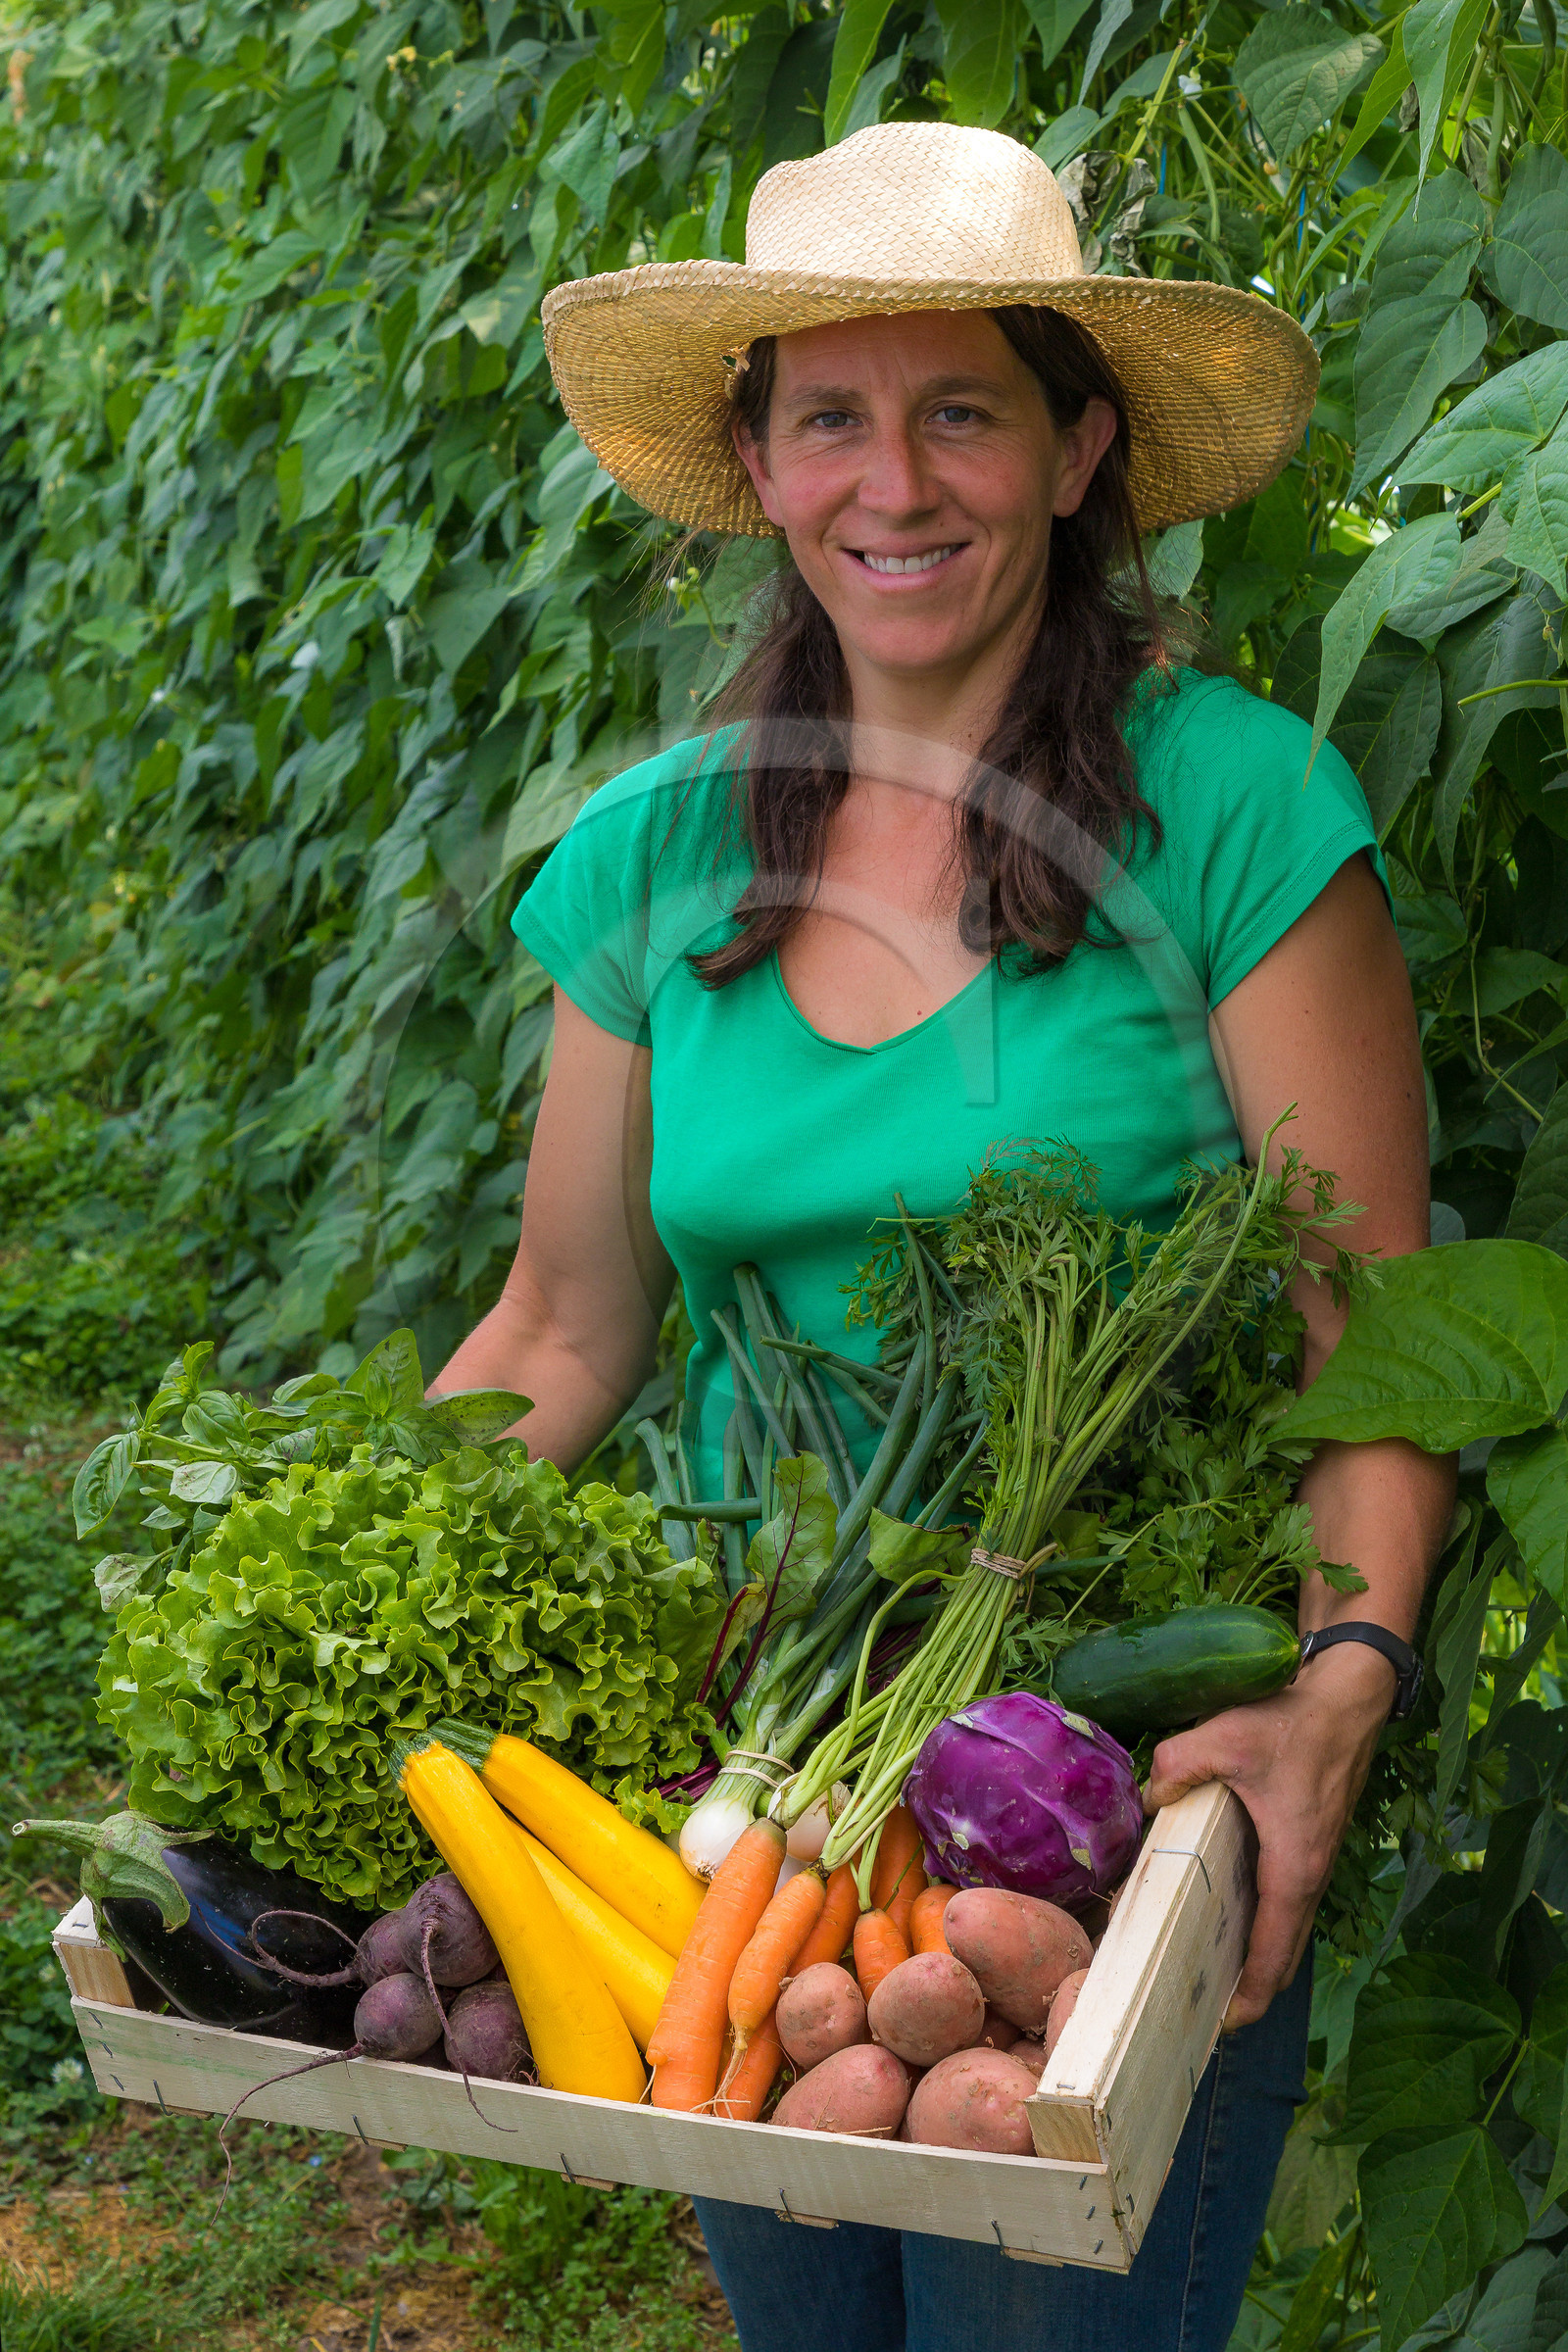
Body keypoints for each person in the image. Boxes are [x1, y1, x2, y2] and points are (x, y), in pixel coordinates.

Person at [436, 120, 1453, 2352]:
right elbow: (564, 1326)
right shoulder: (644, 857)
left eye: (960, 411)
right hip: (766, 1807)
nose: (893, 485)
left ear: (1079, 449)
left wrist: (1336, 1691)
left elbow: (1370, 1343)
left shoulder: (1240, 811)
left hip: (1111, 1793)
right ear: (758, 460)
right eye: (831, 418)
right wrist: (375, 1577)